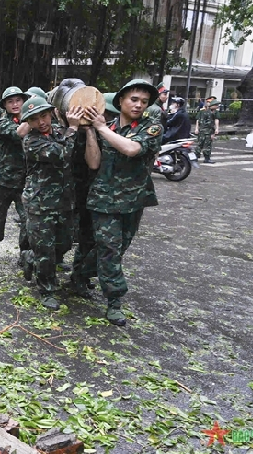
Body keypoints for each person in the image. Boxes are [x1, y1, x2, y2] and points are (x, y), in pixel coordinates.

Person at [84, 79, 162, 326]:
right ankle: (114, 301)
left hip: (133, 199)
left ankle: (79, 273)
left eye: (144, 102)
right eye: (134, 99)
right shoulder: (103, 127)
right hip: (104, 198)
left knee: (117, 248)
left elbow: (131, 149)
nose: (139, 105)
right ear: (120, 101)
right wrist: (90, 131)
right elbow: (94, 163)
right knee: (109, 248)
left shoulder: (151, 127)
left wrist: (100, 128)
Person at [17, 96, 84, 309]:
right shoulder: (32, 141)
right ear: (29, 122)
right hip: (40, 203)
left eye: (44, 115)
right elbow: (62, 153)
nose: (42, 122)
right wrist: (73, 128)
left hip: (64, 201)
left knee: (64, 243)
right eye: (35, 119)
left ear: (52, 113)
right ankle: (46, 289)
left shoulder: (58, 132)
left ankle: (29, 256)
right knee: (45, 250)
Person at [69, 94, 112, 298]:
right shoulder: (72, 129)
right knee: (75, 238)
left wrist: (91, 131)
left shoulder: (107, 131)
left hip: (96, 193)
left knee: (91, 239)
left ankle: (80, 276)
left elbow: (96, 163)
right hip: (75, 192)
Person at [0, 87, 29, 263]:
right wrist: (32, 115)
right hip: (3, 179)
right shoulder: (2, 123)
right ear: (5, 105)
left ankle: (24, 252)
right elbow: (19, 133)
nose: (15, 104)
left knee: (27, 219)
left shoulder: (30, 120)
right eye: (10, 101)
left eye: (18, 100)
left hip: (24, 180)